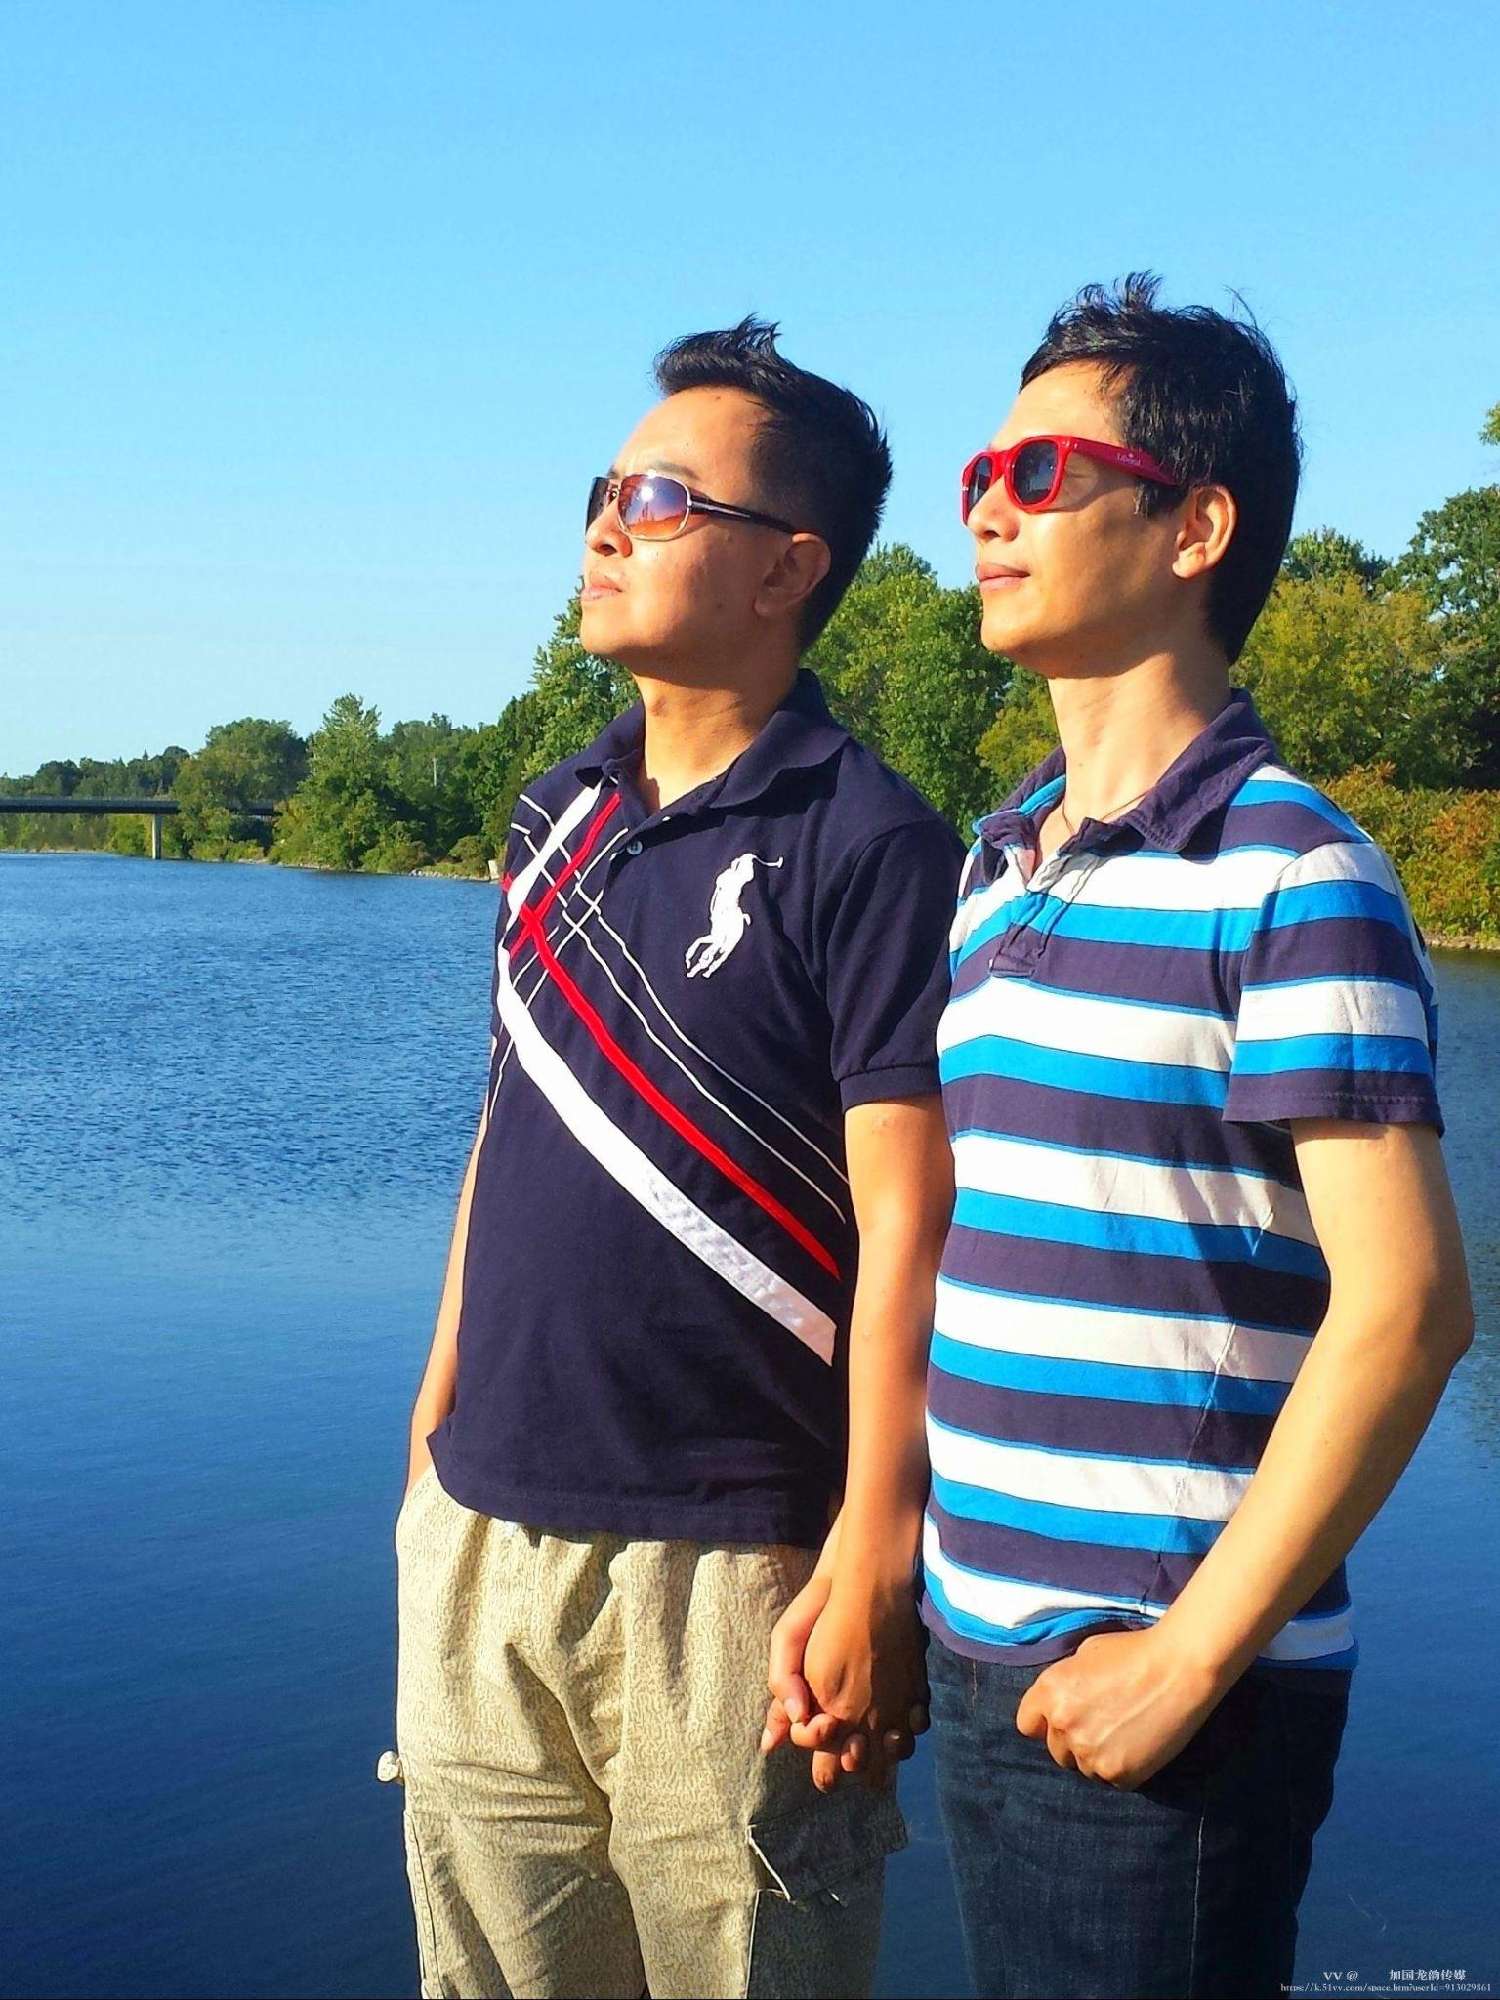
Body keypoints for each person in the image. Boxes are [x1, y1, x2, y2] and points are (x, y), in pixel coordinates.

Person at [770, 275, 1474, 1999]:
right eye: (980, 476)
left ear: (1194, 528)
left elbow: (1409, 1311)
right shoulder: (997, 864)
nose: (988, 510)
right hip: (983, 1647)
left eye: (1042, 471)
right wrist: (893, 1581)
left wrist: (1191, 1658)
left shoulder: (1290, 872)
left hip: (1169, 1685)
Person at [393, 317, 962, 2000]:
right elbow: (508, 1126)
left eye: (656, 497)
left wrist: (875, 1550)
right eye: (602, 491)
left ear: (790, 565)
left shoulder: (870, 841)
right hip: (482, 1536)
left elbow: (911, 1220)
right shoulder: (549, 815)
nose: (604, 526)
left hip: (737, 1573)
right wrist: (431, 1436)